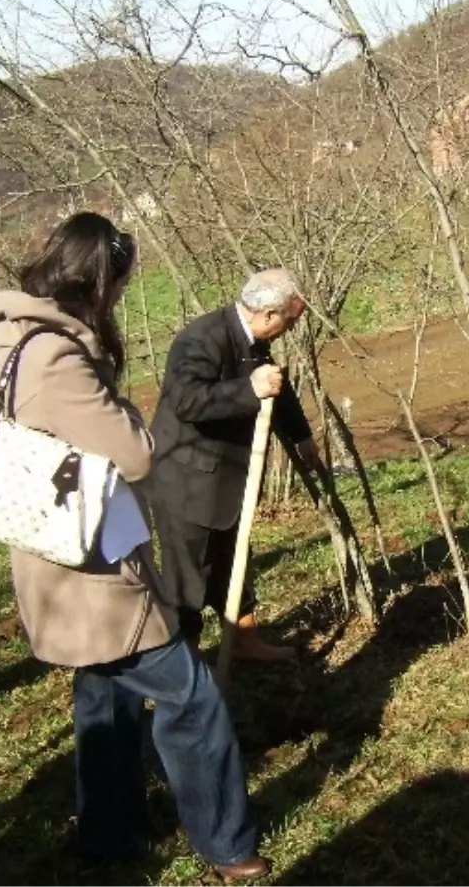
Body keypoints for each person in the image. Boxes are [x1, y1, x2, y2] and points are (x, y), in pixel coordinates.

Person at [0, 212, 267, 880]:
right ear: (99, 280)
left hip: (58, 561)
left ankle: (109, 834)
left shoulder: (16, 339)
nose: (119, 300)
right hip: (94, 574)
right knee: (191, 698)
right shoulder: (56, 354)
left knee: (104, 698)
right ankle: (227, 843)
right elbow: (135, 453)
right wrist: (128, 409)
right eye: (119, 287)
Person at [147, 268, 322, 663]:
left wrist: (300, 435)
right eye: (291, 320)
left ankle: (244, 643)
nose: (290, 329)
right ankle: (184, 667)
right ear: (269, 314)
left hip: (224, 479)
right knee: (188, 578)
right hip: (187, 481)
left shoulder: (252, 341)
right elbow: (186, 400)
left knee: (232, 564)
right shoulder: (202, 338)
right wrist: (248, 390)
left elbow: (276, 385)